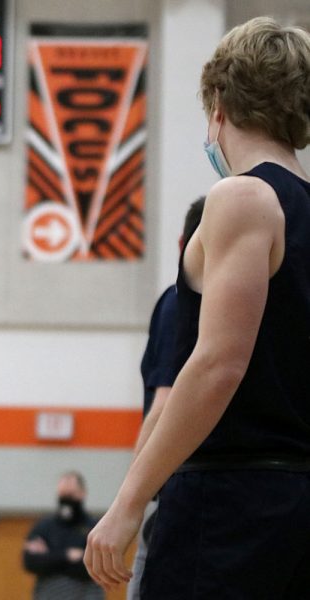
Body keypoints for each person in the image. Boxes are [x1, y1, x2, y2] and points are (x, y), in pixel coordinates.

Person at [85, 17, 310, 598]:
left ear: (219, 104)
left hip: (231, 504)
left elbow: (217, 365)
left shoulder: (242, 197)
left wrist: (129, 502)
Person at [126, 196, 203, 600]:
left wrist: (128, 503)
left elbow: (165, 404)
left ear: (181, 245)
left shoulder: (179, 301)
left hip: (179, 495)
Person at [23, 471, 103, 600]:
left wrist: (50, 556)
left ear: (83, 493)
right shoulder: (44, 526)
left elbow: (95, 566)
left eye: (70, 495)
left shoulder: (96, 527)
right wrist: (67, 555)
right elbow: (30, 561)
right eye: (63, 495)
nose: (66, 500)